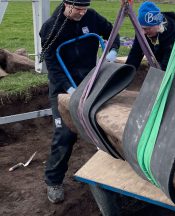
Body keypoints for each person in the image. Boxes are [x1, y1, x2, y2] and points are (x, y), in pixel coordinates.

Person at [39, 0, 120, 204]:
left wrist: (112, 50)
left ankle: (112, 173)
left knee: (104, 124)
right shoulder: (51, 28)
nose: (82, 13)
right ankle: (53, 180)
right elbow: (51, 63)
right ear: (66, 4)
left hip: (90, 81)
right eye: (78, 9)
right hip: (63, 87)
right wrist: (69, 89)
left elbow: (112, 32)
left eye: (84, 9)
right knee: (65, 133)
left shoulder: (91, 17)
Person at [125, 1, 175, 79]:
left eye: (147, 29)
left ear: (157, 24)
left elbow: (168, 61)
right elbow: (136, 52)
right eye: (141, 28)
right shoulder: (143, 30)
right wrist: (126, 72)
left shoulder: (172, 30)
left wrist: (160, 77)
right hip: (165, 57)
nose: (143, 32)